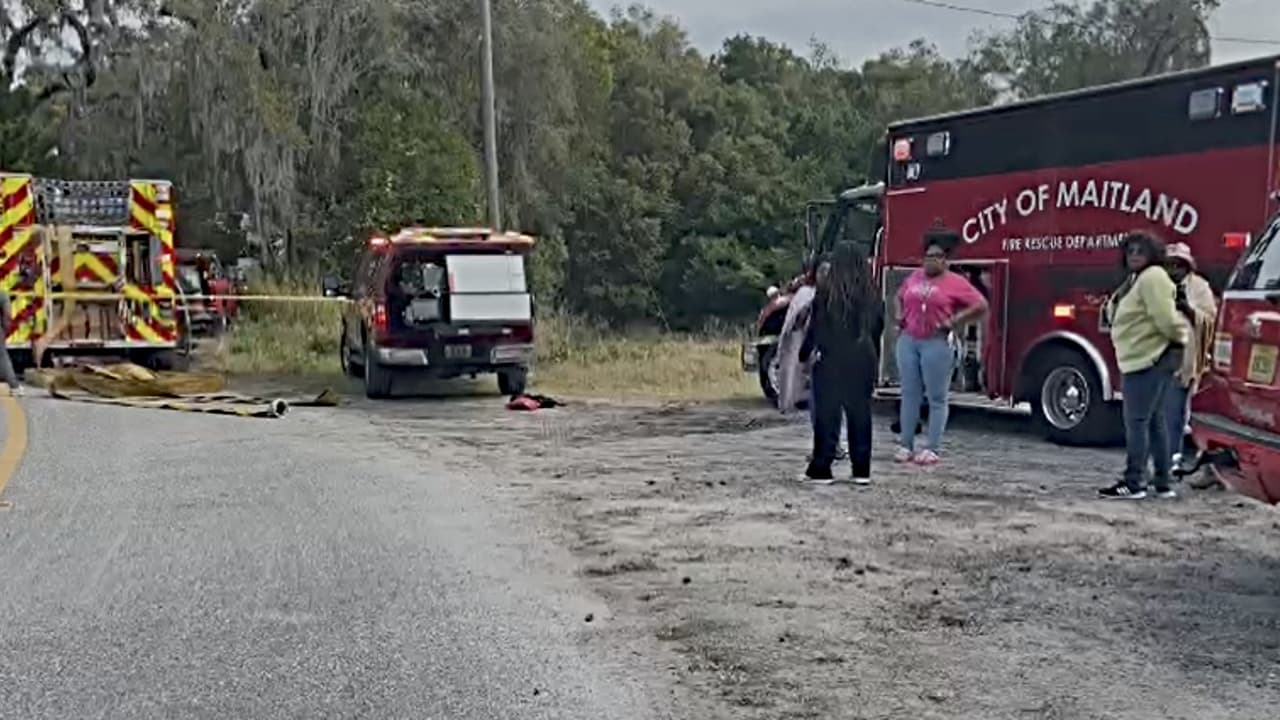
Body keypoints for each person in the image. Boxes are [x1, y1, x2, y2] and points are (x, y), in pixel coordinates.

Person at [1099, 232, 1188, 500]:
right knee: (1155, 422)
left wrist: (1178, 339)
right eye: (1130, 251)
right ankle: (1162, 483)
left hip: (1148, 359)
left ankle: (1134, 482)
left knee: (1136, 422)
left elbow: (1165, 318)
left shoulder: (1152, 278)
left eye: (1141, 250)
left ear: (1153, 254)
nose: (1134, 255)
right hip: (1148, 358)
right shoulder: (1138, 279)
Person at [893, 228, 987, 466]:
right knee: (909, 394)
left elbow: (980, 305)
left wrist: (955, 321)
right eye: (927, 256)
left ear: (945, 261)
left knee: (936, 397)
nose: (930, 260)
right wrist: (899, 315)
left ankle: (932, 447)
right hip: (909, 340)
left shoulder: (956, 283)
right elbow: (899, 296)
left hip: (936, 342)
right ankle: (906, 445)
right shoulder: (914, 278)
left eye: (935, 256)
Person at [799, 242, 884, 484]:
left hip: (831, 359)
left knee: (828, 415)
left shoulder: (826, 294)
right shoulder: (872, 295)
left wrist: (804, 355)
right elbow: (878, 328)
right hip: (863, 359)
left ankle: (822, 466)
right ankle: (861, 469)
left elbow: (816, 330)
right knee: (860, 414)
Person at [1162, 242, 1217, 479]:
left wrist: (1188, 309)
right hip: (1160, 359)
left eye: (1178, 264)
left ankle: (1204, 466)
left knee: (1195, 415)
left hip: (1189, 360)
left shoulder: (1199, 287)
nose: (1174, 269)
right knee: (1167, 415)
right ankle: (1167, 460)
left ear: (1187, 266)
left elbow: (1212, 319)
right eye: (1169, 264)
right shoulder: (1156, 286)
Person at [0, 288, 22, 396]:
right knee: (3, 359)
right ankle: (15, 386)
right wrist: (5, 330)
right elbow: (7, 315)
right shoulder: (2, 294)